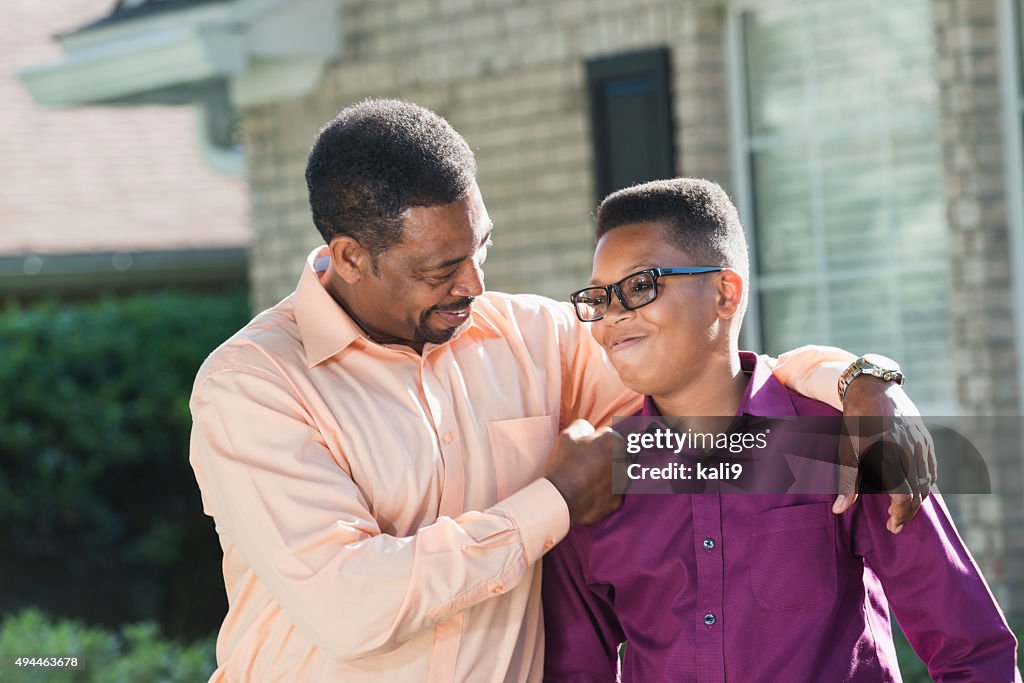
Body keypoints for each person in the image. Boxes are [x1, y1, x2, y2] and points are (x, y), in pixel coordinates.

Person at [189, 99, 934, 681]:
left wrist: (862, 382)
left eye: (481, 247)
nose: (474, 285)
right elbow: (351, 604)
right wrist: (554, 500)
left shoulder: (530, 338)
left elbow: (708, 375)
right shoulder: (253, 386)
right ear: (350, 257)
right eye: (440, 268)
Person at [542, 177, 1020, 681]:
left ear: (725, 293)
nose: (610, 316)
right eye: (599, 296)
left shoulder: (847, 441)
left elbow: (971, 648)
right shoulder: (597, 478)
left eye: (640, 286)